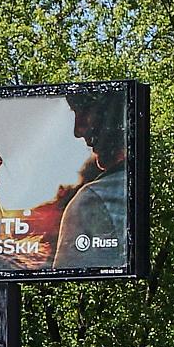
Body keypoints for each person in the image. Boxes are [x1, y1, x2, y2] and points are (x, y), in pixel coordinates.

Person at [53, 90, 134, 269]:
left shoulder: (91, 201)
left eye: (84, 111)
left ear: (117, 108)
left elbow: (68, 278)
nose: (78, 131)